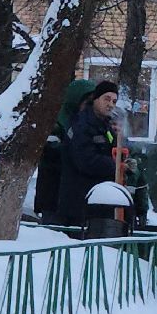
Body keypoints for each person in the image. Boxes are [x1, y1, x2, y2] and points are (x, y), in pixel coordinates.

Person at [57, 80, 121, 228]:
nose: (111, 104)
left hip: (98, 204)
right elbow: (86, 161)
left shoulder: (106, 126)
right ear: (95, 99)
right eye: (106, 99)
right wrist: (117, 165)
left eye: (114, 101)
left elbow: (112, 148)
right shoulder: (82, 124)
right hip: (79, 205)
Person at [35, 78, 96, 224]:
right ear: (76, 100)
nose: (90, 107)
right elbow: (50, 154)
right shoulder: (55, 123)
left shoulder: (89, 123)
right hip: (54, 198)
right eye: (87, 102)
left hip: (77, 201)